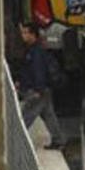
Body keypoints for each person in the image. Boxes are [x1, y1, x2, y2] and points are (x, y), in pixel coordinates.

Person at [17, 21, 66, 150]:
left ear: (33, 34)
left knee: (26, 116)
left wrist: (38, 89)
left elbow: (38, 71)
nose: (23, 35)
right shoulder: (35, 49)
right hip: (43, 89)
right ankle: (58, 139)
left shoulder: (35, 52)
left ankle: (17, 141)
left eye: (25, 32)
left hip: (38, 90)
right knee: (49, 114)